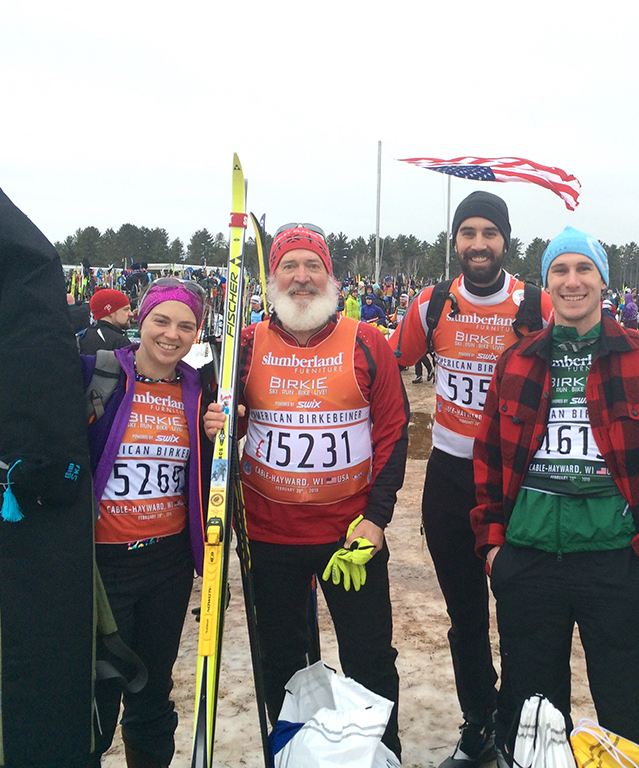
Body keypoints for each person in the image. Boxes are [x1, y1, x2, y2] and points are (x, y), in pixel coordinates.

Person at [471, 227, 639, 765]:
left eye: (584, 269)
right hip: (529, 563)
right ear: (546, 282)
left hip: (617, 563)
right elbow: (488, 460)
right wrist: (494, 549)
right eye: (560, 270)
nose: (572, 281)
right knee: (532, 722)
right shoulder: (516, 361)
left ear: (603, 281)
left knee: (627, 715)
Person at [0, 278, 212, 768]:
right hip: (101, 570)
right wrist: (36, 482)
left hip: (167, 568)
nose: (171, 335)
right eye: (161, 321)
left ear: (198, 333)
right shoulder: (94, 372)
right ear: (140, 320)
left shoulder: (198, 388)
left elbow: (206, 476)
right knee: (96, 697)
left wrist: (221, 432)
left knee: (153, 691)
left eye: (186, 326)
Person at [204, 223, 407, 758]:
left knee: (369, 658)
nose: (301, 276)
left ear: (330, 276)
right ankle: (296, 753)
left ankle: (381, 754)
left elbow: (392, 431)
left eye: (312, 265)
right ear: (272, 279)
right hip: (270, 538)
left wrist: (376, 519)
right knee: (283, 662)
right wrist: (219, 421)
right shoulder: (246, 345)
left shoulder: (367, 341)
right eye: (288, 266)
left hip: (349, 537)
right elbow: (226, 423)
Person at [387, 191, 553, 768]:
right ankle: (480, 722)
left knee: (522, 612)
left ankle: (520, 729)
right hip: (449, 475)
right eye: (468, 232)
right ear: (455, 240)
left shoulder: (538, 304)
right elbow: (384, 365)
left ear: (505, 241)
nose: (478, 244)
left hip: (517, 481)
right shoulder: (432, 303)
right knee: (466, 615)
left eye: (489, 233)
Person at [78, 288, 134, 355]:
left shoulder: (82, 337)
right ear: (110, 312)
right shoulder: (119, 342)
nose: (131, 314)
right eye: (126, 309)